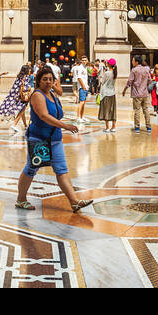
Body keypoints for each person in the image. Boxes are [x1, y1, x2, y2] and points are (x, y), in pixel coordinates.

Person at [14, 66, 91, 213]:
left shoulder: (52, 95)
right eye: (45, 79)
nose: (48, 82)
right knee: (31, 168)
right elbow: (44, 115)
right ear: (38, 81)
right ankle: (21, 199)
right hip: (39, 139)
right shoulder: (37, 95)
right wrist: (65, 126)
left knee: (62, 170)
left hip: (55, 138)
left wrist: (57, 85)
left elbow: (57, 110)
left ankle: (74, 201)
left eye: (50, 79)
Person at [126, 57, 153, 132]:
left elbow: (130, 81)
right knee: (146, 110)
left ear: (136, 62)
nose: (132, 62)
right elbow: (149, 80)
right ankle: (148, 127)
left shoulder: (134, 70)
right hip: (145, 93)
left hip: (137, 94)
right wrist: (144, 86)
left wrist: (125, 89)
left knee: (137, 110)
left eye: (133, 60)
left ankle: (137, 127)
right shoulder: (146, 70)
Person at [96, 58, 118, 133]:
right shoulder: (115, 73)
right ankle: (113, 127)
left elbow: (102, 82)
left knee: (106, 109)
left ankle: (107, 127)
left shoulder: (107, 73)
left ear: (109, 64)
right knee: (112, 109)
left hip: (105, 93)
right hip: (112, 93)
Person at [71, 56, 91, 122]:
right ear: (81, 61)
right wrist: (83, 87)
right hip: (82, 87)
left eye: (85, 60)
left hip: (86, 87)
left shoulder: (85, 68)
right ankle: (78, 117)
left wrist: (86, 86)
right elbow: (79, 78)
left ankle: (82, 117)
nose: (84, 61)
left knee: (84, 102)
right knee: (81, 102)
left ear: (87, 60)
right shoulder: (80, 68)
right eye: (83, 60)